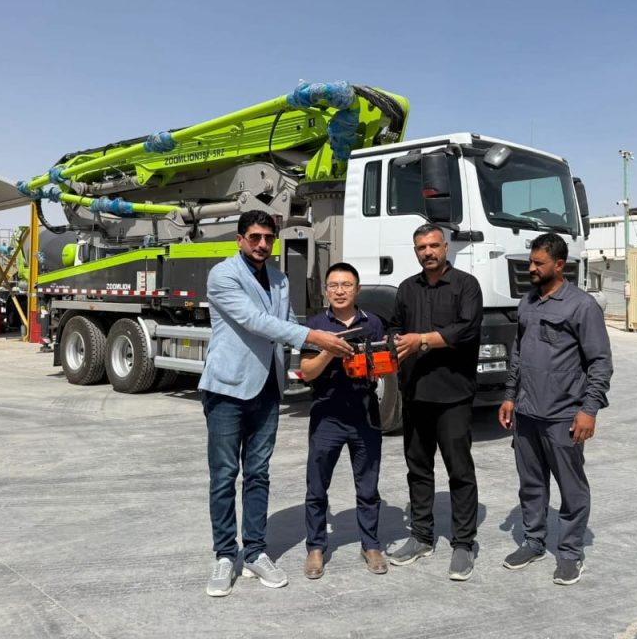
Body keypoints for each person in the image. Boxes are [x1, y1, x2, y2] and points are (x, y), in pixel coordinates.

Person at [199, 210, 354, 598]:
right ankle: (224, 555)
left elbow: (284, 326)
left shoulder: (280, 279)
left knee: (258, 474)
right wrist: (316, 337)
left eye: (268, 238)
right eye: (254, 237)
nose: (262, 244)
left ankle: (254, 551)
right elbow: (255, 321)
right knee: (224, 475)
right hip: (227, 388)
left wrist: (319, 352)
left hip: (267, 387)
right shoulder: (223, 275)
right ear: (239, 239)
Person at [498, 233, 613, 586]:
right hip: (527, 413)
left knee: (571, 488)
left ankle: (570, 553)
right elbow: (518, 353)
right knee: (531, 484)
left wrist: (589, 410)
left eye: (539, 263)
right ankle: (533, 542)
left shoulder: (582, 306)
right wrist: (510, 395)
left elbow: (600, 362)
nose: (531, 268)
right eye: (531, 262)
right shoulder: (528, 303)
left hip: (563, 414)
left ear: (559, 265)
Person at [387, 224, 483, 581]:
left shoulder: (466, 285)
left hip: (453, 394)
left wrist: (423, 340)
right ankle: (421, 536)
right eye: (421, 247)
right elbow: (395, 328)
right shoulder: (406, 289)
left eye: (433, 245)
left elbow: (466, 330)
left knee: (460, 471)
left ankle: (463, 543)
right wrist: (392, 344)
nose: (427, 252)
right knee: (418, 469)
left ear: (445, 247)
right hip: (415, 394)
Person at [299, 263, 389, 579]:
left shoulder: (372, 322)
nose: (340, 291)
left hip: (365, 415)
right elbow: (307, 372)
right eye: (334, 285)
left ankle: (371, 545)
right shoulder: (316, 325)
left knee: (368, 487)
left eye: (346, 285)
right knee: (316, 487)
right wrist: (329, 349)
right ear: (326, 290)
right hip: (327, 416)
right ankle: (315, 548)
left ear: (357, 289)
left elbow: (382, 367)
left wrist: (380, 361)